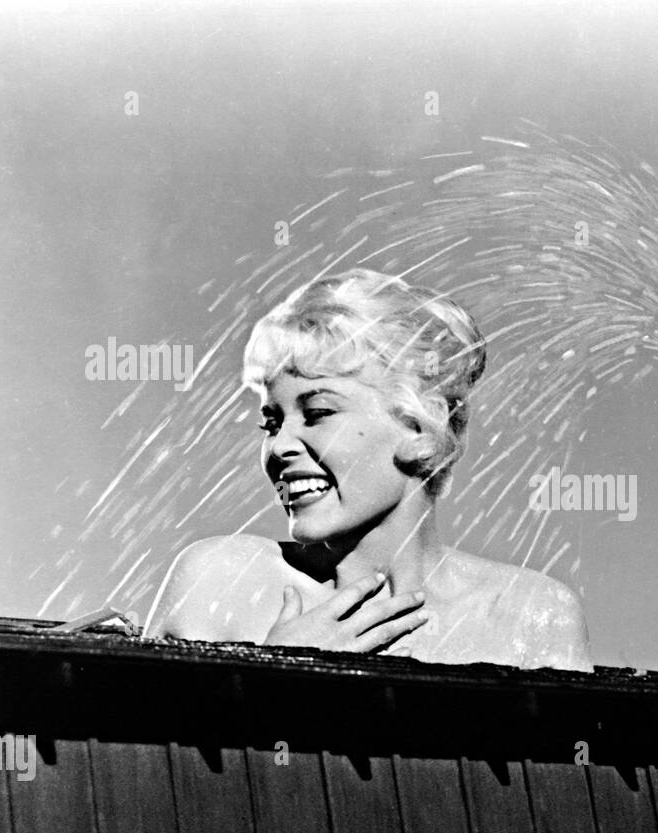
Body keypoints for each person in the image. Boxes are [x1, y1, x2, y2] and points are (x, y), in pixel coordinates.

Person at [144, 268, 591, 671]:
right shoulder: (223, 580)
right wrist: (278, 679)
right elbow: (147, 758)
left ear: (419, 423)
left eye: (317, 412)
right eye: (271, 423)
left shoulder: (529, 612)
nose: (278, 447)